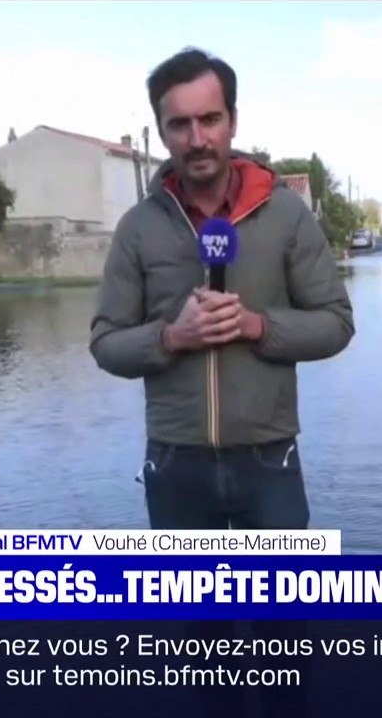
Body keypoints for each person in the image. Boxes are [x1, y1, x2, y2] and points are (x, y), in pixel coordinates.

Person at [90, 47, 354, 532]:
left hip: (269, 458)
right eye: (180, 124)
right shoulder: (137, 228)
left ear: (233, 120)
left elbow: (336, 324)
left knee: (283, 606)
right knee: (195, 608)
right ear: (162, 130)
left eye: (210, 119)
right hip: (174, 464)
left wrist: (256, 326)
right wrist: (172, 338)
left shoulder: (286, 215)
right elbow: (106, 344)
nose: (197, 139)